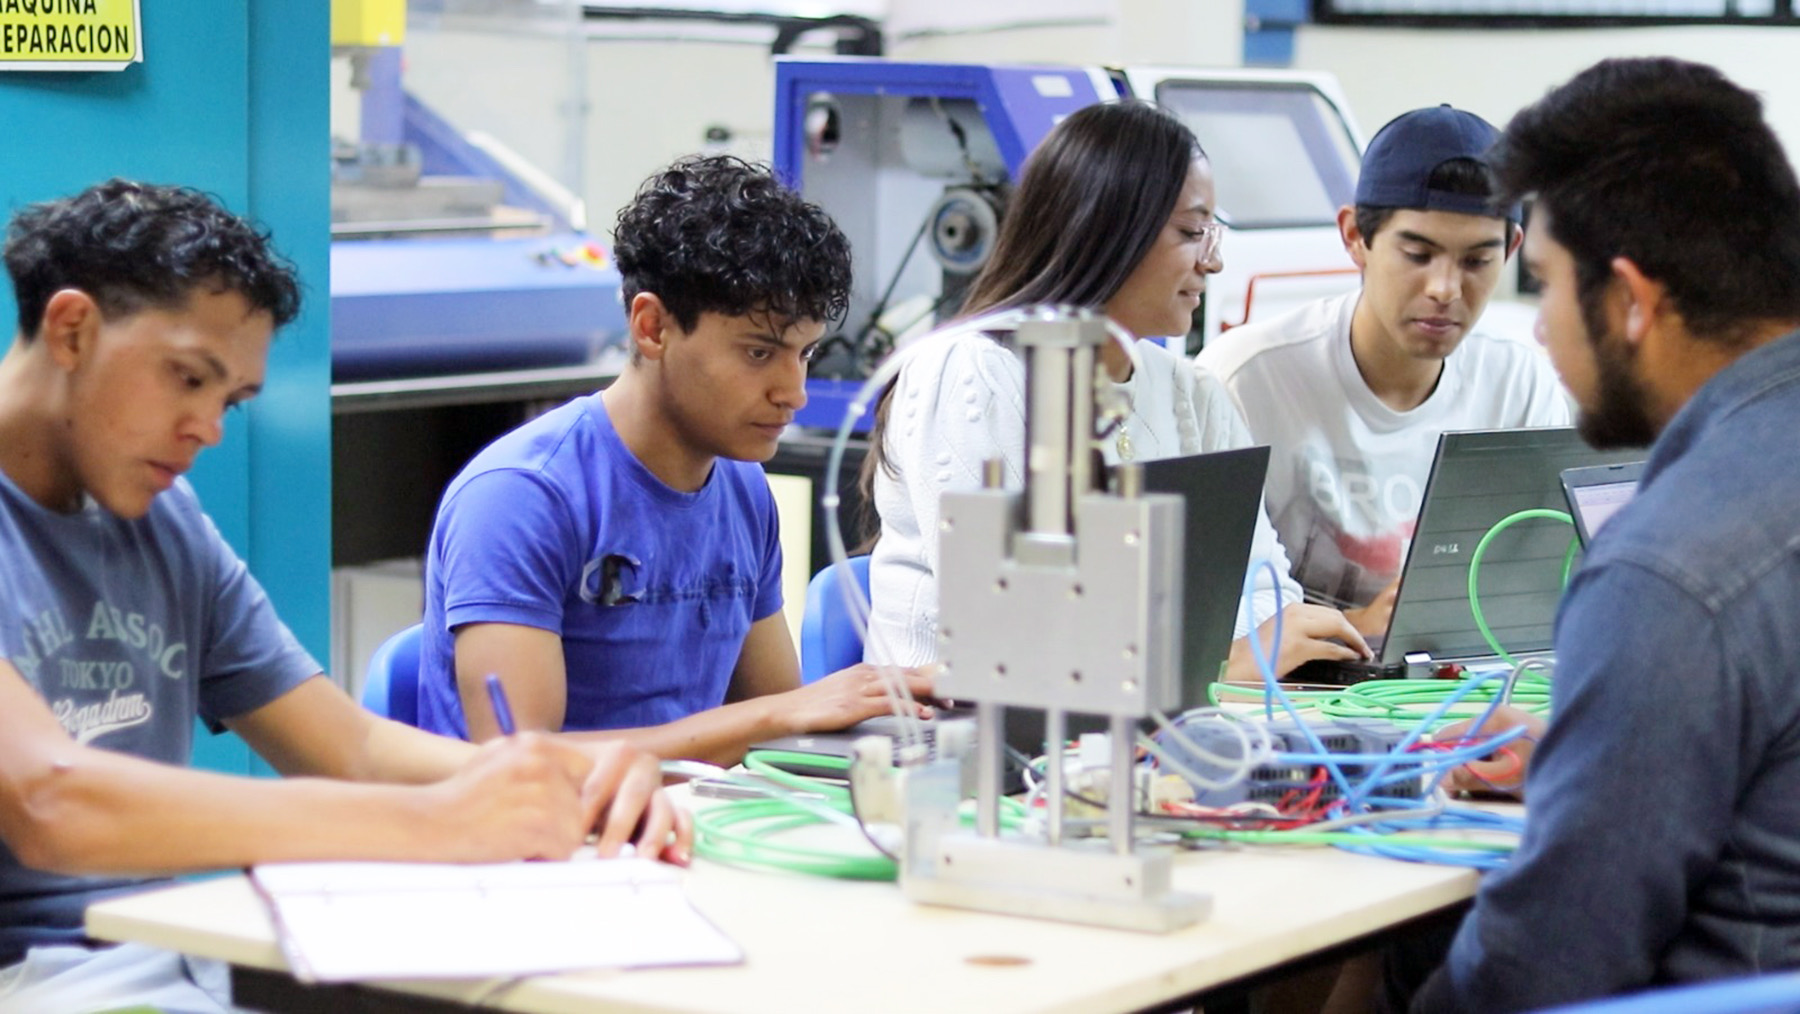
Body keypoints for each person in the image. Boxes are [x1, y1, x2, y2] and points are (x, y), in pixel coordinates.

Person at [0, 179, 687, 1013]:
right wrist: (443, 824)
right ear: (72, 330)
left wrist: (570, 786)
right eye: (186, 379)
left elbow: (350, 748)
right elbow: (50, 800)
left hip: (154, 956)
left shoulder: (164, 521)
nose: (208, 428)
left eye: (230, 401)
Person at [1404, 57, 1800, 1012]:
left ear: (1630, 299)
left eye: (1540, 285)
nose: (1538, 331)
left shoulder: (1666, 569)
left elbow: (1545, 963)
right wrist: (1594, 749)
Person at [416, 155, 934, 766]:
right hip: (541, 849)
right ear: (653, 327)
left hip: (689, 831)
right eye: (759, 353)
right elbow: (522, 765)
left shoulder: (742, 490)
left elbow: (777, 730)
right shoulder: (523, 496)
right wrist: (776, 716)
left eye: (805, 353)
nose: (793, 391)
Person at [864, 100, 1370, 681]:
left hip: (1152, 735)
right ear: (1101, 230)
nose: (1215, 261)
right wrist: (1220, 659)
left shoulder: (1194, 395)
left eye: (1213, 232)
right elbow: (1013, 629)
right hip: (957, 747)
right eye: (1190, 232)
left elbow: (1265, 594)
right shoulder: (970, 372)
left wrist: (1226, 654)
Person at [1198, 105, 1569, 635]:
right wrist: (1360, 626)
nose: (1445, 289)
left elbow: (1537, 589)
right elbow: (1201, 612)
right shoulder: (1247, 380)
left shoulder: (1518, 387)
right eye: (1418, 254)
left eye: (1476, 261)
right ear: (1355, 237)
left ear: (1511, 248)